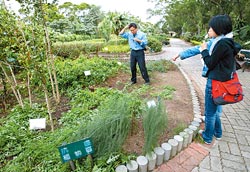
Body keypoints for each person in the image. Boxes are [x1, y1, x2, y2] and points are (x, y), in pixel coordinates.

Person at [199, 14, 240, 144]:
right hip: (223, 82)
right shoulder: (229, 42)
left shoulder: (221, 44)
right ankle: (218, 133)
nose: (209, 30)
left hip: (215, 82)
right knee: (215, 111)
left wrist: (204, 50)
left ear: (219, 28)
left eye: (211, 28)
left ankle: (207, 137)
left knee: (210, 113)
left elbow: (210, 63)